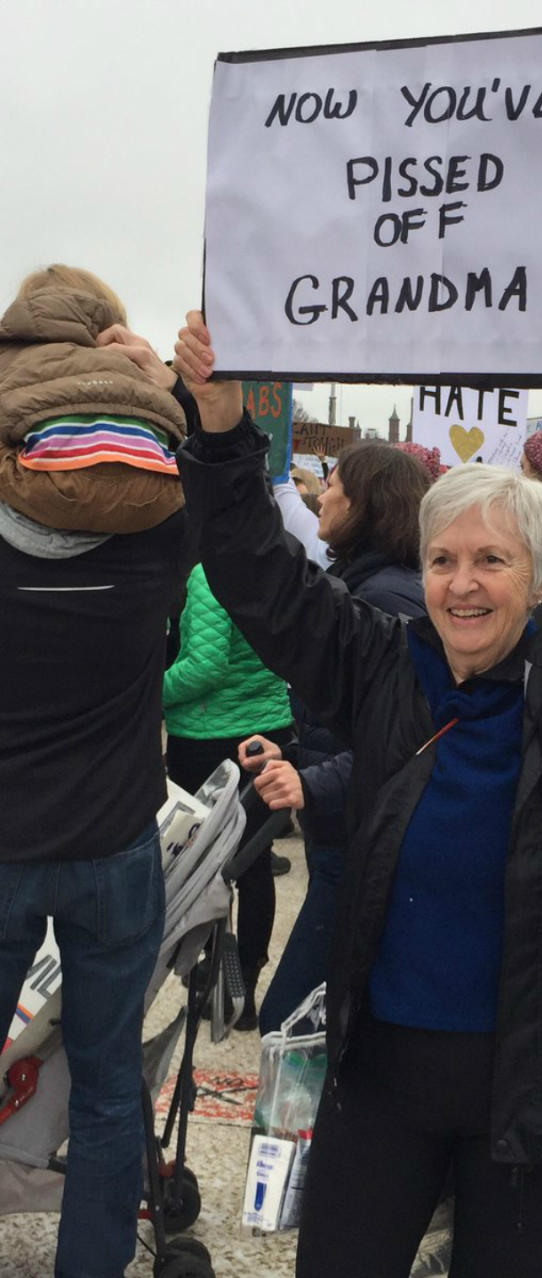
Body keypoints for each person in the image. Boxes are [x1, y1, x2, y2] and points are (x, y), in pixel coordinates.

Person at [173, 314, 542, 1278]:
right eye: (442, 560)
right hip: (382, 1077)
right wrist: (219, 432)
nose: (462, 585)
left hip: (534, 1086)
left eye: (491, 562)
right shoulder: (382, 665)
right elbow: (262, 580)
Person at [0, 265, 191, 1277]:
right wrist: (156, 378)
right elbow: (207, 483)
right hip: (115, 840)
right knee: (116, 1084)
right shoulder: (158, 543)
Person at [248, 442, 429, 1034]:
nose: (321, 493)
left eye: (334, 484)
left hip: (357, 842)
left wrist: (311, 780)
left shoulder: (385, 598)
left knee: (291, 1027)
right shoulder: (363, 582)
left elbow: (408, 740)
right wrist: (293, 755)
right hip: (341, 834)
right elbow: (354, 723)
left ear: (367, 504)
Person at [162, 560, 294, 1028]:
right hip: (270, 726)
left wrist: (146, 693)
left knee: (195, 866)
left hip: (206, 737)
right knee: (255, 863)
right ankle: (245, 989)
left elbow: (204, 666)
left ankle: (205, 971)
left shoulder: (207, 572)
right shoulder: (275, 563)